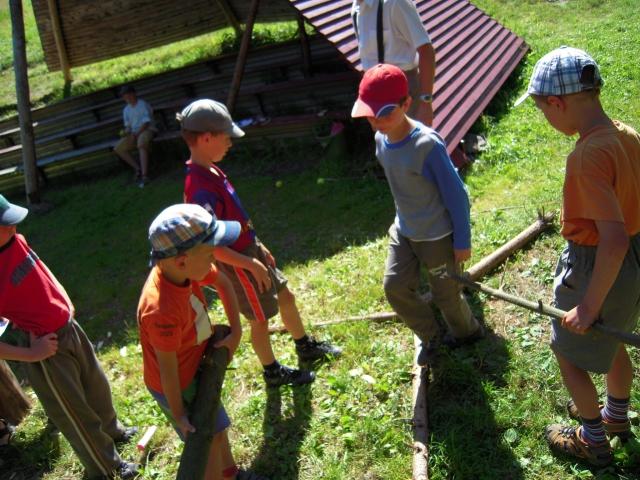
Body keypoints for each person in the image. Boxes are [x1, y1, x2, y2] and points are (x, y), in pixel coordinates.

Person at [515, 46, 640, 467]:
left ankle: (592, 440)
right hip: (634, 263)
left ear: (557, 103)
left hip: (596, 265)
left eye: (542, 111)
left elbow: (612, 240)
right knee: (613, 337)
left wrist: (587, 306)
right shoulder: (627, 135)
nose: (546, 118)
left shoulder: (586, 156)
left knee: (568, 352)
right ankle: (616, 418)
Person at [177, 99, 344, 388]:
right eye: (226, 137)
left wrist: (258, 245)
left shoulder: (212, 170)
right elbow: (212, 246)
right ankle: (272, 373)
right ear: (206, 138)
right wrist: (250, 264)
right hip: (237, 263)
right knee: (260, 320)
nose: (230, 143)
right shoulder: (200, 189)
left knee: (286, 296)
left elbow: (235, 216)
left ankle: (304, 346)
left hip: (250, 252)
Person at [351, 64, 483, 366]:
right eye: (370, 115)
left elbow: (457, 196)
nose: (377, 122)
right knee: (394, 287)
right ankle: (430, 334)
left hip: (437, 237)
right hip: (405, 230)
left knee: (446, 293)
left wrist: (462, 240)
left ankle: (468, 333)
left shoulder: (426, 145)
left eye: (385, 113)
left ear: (406, 103)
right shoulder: (381, 139)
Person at [0, 194, 139, 479]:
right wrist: (31, 353)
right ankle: (107, 467)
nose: (14, 225)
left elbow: (41, 267)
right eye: (5, 223)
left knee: (97, 386)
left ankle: (113, 431)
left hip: (69, 327)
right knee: (76, 413)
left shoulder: (15, 240)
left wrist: (63, 296)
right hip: (46, 349)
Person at [138, 203, 268, 480]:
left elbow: (224, 283)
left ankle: (230, 474)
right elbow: (168, 371)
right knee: (206, 443)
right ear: (182, 261)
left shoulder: (184, 269)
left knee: (217, 430)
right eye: (210, 254)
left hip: (194, 365)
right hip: (177, 386)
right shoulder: (161, 310)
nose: (214, 260)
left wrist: (236, 331)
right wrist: (179, 414)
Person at [351, 0, 435, 126]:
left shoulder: (395, 3)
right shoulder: (356, 7)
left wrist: (425, 103)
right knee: (385, 138)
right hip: (375, 94)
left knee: (408, 137)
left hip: (403, 91)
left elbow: (426, 50)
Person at [114, 84, 157, 185]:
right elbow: (128, 127)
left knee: (141, 143)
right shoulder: (126, 110)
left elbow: (146, 123)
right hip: (134, 132)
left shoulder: (142, 105)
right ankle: (138, 169)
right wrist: (125, 133)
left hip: (148, 129)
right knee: (118, 148)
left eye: (130, 96)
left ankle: (145, 175)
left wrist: (135, 135)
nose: (128, 99)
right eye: (125, 97)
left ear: (135, 94)